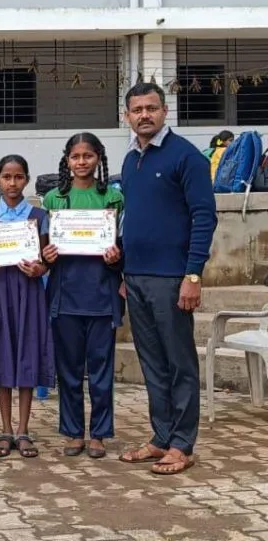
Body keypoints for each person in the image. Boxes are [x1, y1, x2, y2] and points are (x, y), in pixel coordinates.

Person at [118, 82, 217, 475]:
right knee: (152, 362)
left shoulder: (186, 157)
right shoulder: (130, 160)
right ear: (127, 116)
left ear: (164, 112)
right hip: (137, 278)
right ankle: (161, 438)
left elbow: (204, 217)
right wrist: (125, 270)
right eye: (137, 109)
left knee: (179, 362)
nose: (144, 115)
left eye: (151, 108)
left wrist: (193, 274)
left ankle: (183, 444)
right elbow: (131, 219)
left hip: (172, 278)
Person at [42, 133, 124, 459]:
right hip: (64, 294)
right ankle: (73, 432)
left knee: (102, 371)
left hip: (102, 293)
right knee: (69, 371)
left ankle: (100, 434)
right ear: (67, 160)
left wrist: (117, 257)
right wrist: (46, 254)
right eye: (75, 157)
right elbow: (43, 247)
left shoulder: (113, 198)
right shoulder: (54, 199)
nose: (81, 162)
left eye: (87, 156)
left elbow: (123, 243)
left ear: (98, 159)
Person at [0, 155, 53, 458]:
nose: (12, 183)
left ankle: (24, 430)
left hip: (27, 291)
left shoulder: (38, 215)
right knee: (2, 354)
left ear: (27, 180)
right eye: (6, 177)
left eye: (18, 177)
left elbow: (46, 258)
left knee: (26, 354)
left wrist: (40, 269)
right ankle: (5, 429)